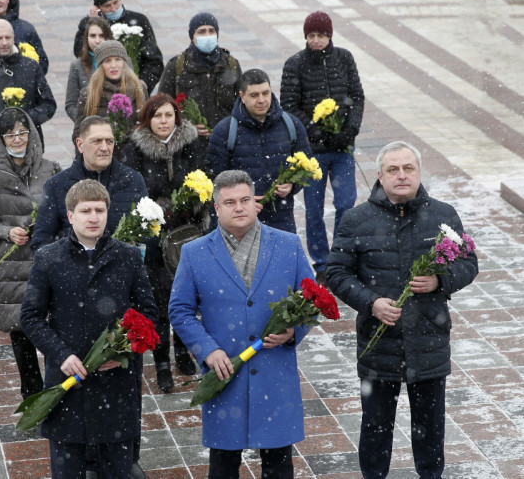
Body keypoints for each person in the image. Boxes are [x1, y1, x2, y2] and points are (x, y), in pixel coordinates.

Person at [326, 141, 478, 479]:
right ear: (380, 176)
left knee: (430, 432)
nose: (401, 175)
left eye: (408, 168)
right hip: (378, 345)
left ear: (419, 172)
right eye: (393, 169)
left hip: (428, 342)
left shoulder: (443, 215)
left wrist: (441, 281)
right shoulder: (356, 220)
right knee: (376, 431)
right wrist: (371, 302)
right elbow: (336, 272)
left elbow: (468, 262)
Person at [168, 170, 314, 479]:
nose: (239, 207)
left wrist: (293, 332)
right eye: (230, 202)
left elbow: (312, 301)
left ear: (255, 202)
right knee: (223, 465)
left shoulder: (288, 245)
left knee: (279, 465)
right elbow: (179, 310)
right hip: (225, 374)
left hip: (275, 374)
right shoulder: (194, 253)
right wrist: (207, 350)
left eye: (245, 199)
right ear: (216, 208)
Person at [20, 179, 158, 479]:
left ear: (109, 213)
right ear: (71, 216)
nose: (93, 217)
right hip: (68, 392)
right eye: (85, 211)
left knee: (118, 471)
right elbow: (30, 317)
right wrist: (62, 355)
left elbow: (149, 314)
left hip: (117, 391)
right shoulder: (49, 258)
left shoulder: (128, 257)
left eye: (99, 210)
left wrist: (125, 351)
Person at [0, 107, 60, 399]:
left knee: (54, 327)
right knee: (21, 331)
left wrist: (47, 232)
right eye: (10, 134)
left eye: (22, 132)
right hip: (12, 267)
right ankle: (32, 395)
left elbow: (66, 216)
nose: (17, 139)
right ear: (0, 138)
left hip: (47, 262)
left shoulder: (52, 169)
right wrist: (6, 232)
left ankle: (57, 390)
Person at [122, 94, 206, 390]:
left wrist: (190, 204)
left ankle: (183, 351)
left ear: (176, 118)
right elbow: (134, 190)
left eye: (168, 115)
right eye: (157, 116)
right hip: (154, 236)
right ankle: (161, 365)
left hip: (186, 234)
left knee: (186, 296)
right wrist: (158, 210)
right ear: (147, 119)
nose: (163, 121)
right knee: (160, 300)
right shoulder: (135, 147)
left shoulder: (191, 142)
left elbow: (202, 181)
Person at [280, 11, 365, 284]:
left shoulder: (344, 58)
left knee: (345, 203)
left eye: (321, 35)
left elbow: (357, 97)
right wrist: (318, 131)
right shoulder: (294, 65)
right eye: (311, 35)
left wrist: (349, 130)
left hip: (342, 150)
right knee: (314, 209)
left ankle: (341, 257)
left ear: (330, 35)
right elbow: (290, 109)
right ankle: (321, 262)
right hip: (312, 152)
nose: (316, 40)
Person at [208, 69, 310, 233]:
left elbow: (307, 165)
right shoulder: (224, 131)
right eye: (254, 95)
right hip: (239, 221)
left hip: (282, 217)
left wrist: (293, 185)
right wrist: (239, 202)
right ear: (242, 96)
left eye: (265, 93)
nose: (262, 100)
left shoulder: (292, 125)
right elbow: (214, 178)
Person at [31, 115, 147, 252]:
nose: (105, 147)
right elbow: (42, 241)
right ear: (80, 145)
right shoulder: (56, 185)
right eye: (97, 141)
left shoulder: (133, 180)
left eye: (109, 141)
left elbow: (148, 234)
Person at [157, 12, 242, 153]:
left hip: (225, 144)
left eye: (211, 31)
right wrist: (185, 128)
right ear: (192, 36)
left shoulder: (231, 64)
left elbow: (242, 103)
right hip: (188, 147)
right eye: (201, 31)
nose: (207, 35)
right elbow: (161, 106)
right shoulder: (177, 66)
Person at [0, 19, 56, 143]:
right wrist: (1, 122)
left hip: (29, 142)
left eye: (8, 37)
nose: (4, 42)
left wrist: (23, 120)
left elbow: (48, 105)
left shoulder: (31, 66)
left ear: (14, 38)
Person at [72, 0, 163, 93]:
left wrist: (144, 82)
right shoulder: (93, 27)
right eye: (107, 6)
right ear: (98, 8)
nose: (114, 9)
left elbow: (154, 60)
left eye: (116, 3)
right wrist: (89, 22)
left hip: (134, 87)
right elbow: (80, 52)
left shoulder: (139, 21)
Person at [71, 40, 147, 156]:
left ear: (124, 62)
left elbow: (147, 125)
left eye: (118, 59)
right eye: (108, 61)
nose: (113, 65)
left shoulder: (139, 90)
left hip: (134, 157)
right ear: (100, 66)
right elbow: (79, 133)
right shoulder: (89, 94)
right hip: (100, 156)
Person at [65, 16, 113, 122]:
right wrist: (84, 121)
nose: (97, 41)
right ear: (86, 38)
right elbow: (71, 104)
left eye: (101, 36)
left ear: (108, 37)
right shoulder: (77, 65)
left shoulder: (123, 62)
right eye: (93, 36)